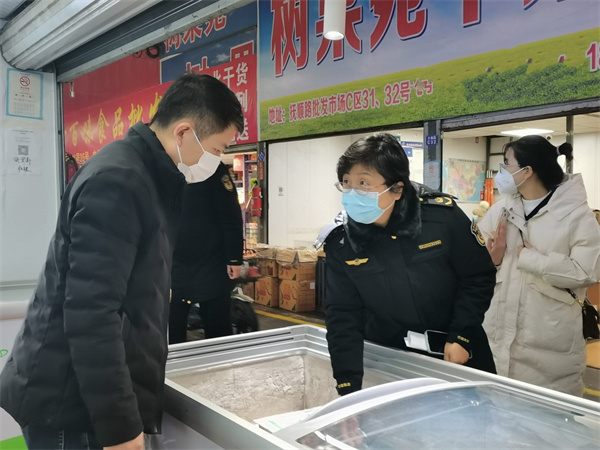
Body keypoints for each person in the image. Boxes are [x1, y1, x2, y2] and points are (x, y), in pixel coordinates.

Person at [0, 73, 244, 450]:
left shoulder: (145, 174)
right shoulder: (120, 181)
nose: (216, 160)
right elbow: (91, 312)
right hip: (71, 407)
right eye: (217, 148)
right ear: (184, 132)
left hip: (82, 396)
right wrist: (120, 426)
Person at [318, 133, 497, 397]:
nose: (352, 193)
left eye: (363, 183)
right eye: (346, 183)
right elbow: (343, 315)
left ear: (397, 189)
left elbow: (478, 276)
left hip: (456, 354)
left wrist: (461, 335)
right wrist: (348, 385)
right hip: (391, 362)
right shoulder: (342, 242)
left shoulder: (441, 219)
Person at [478, 135, 600, 396]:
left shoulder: (576, 215)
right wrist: (493, 259)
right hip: (496, 344)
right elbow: (474, 264)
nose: (502, 171)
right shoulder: (502, 210)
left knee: (545, 417)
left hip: (549, 353)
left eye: (507, 163)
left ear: (527, 171)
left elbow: (587, 271)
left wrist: (531, 259)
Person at [168, 159, 244, 343]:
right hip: (172, 264)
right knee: (169, 333)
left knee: (218, 332)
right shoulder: (165, 164)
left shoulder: (213, 167)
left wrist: (234, 258)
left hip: (211, 263)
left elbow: (231, 215)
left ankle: (221, 360)